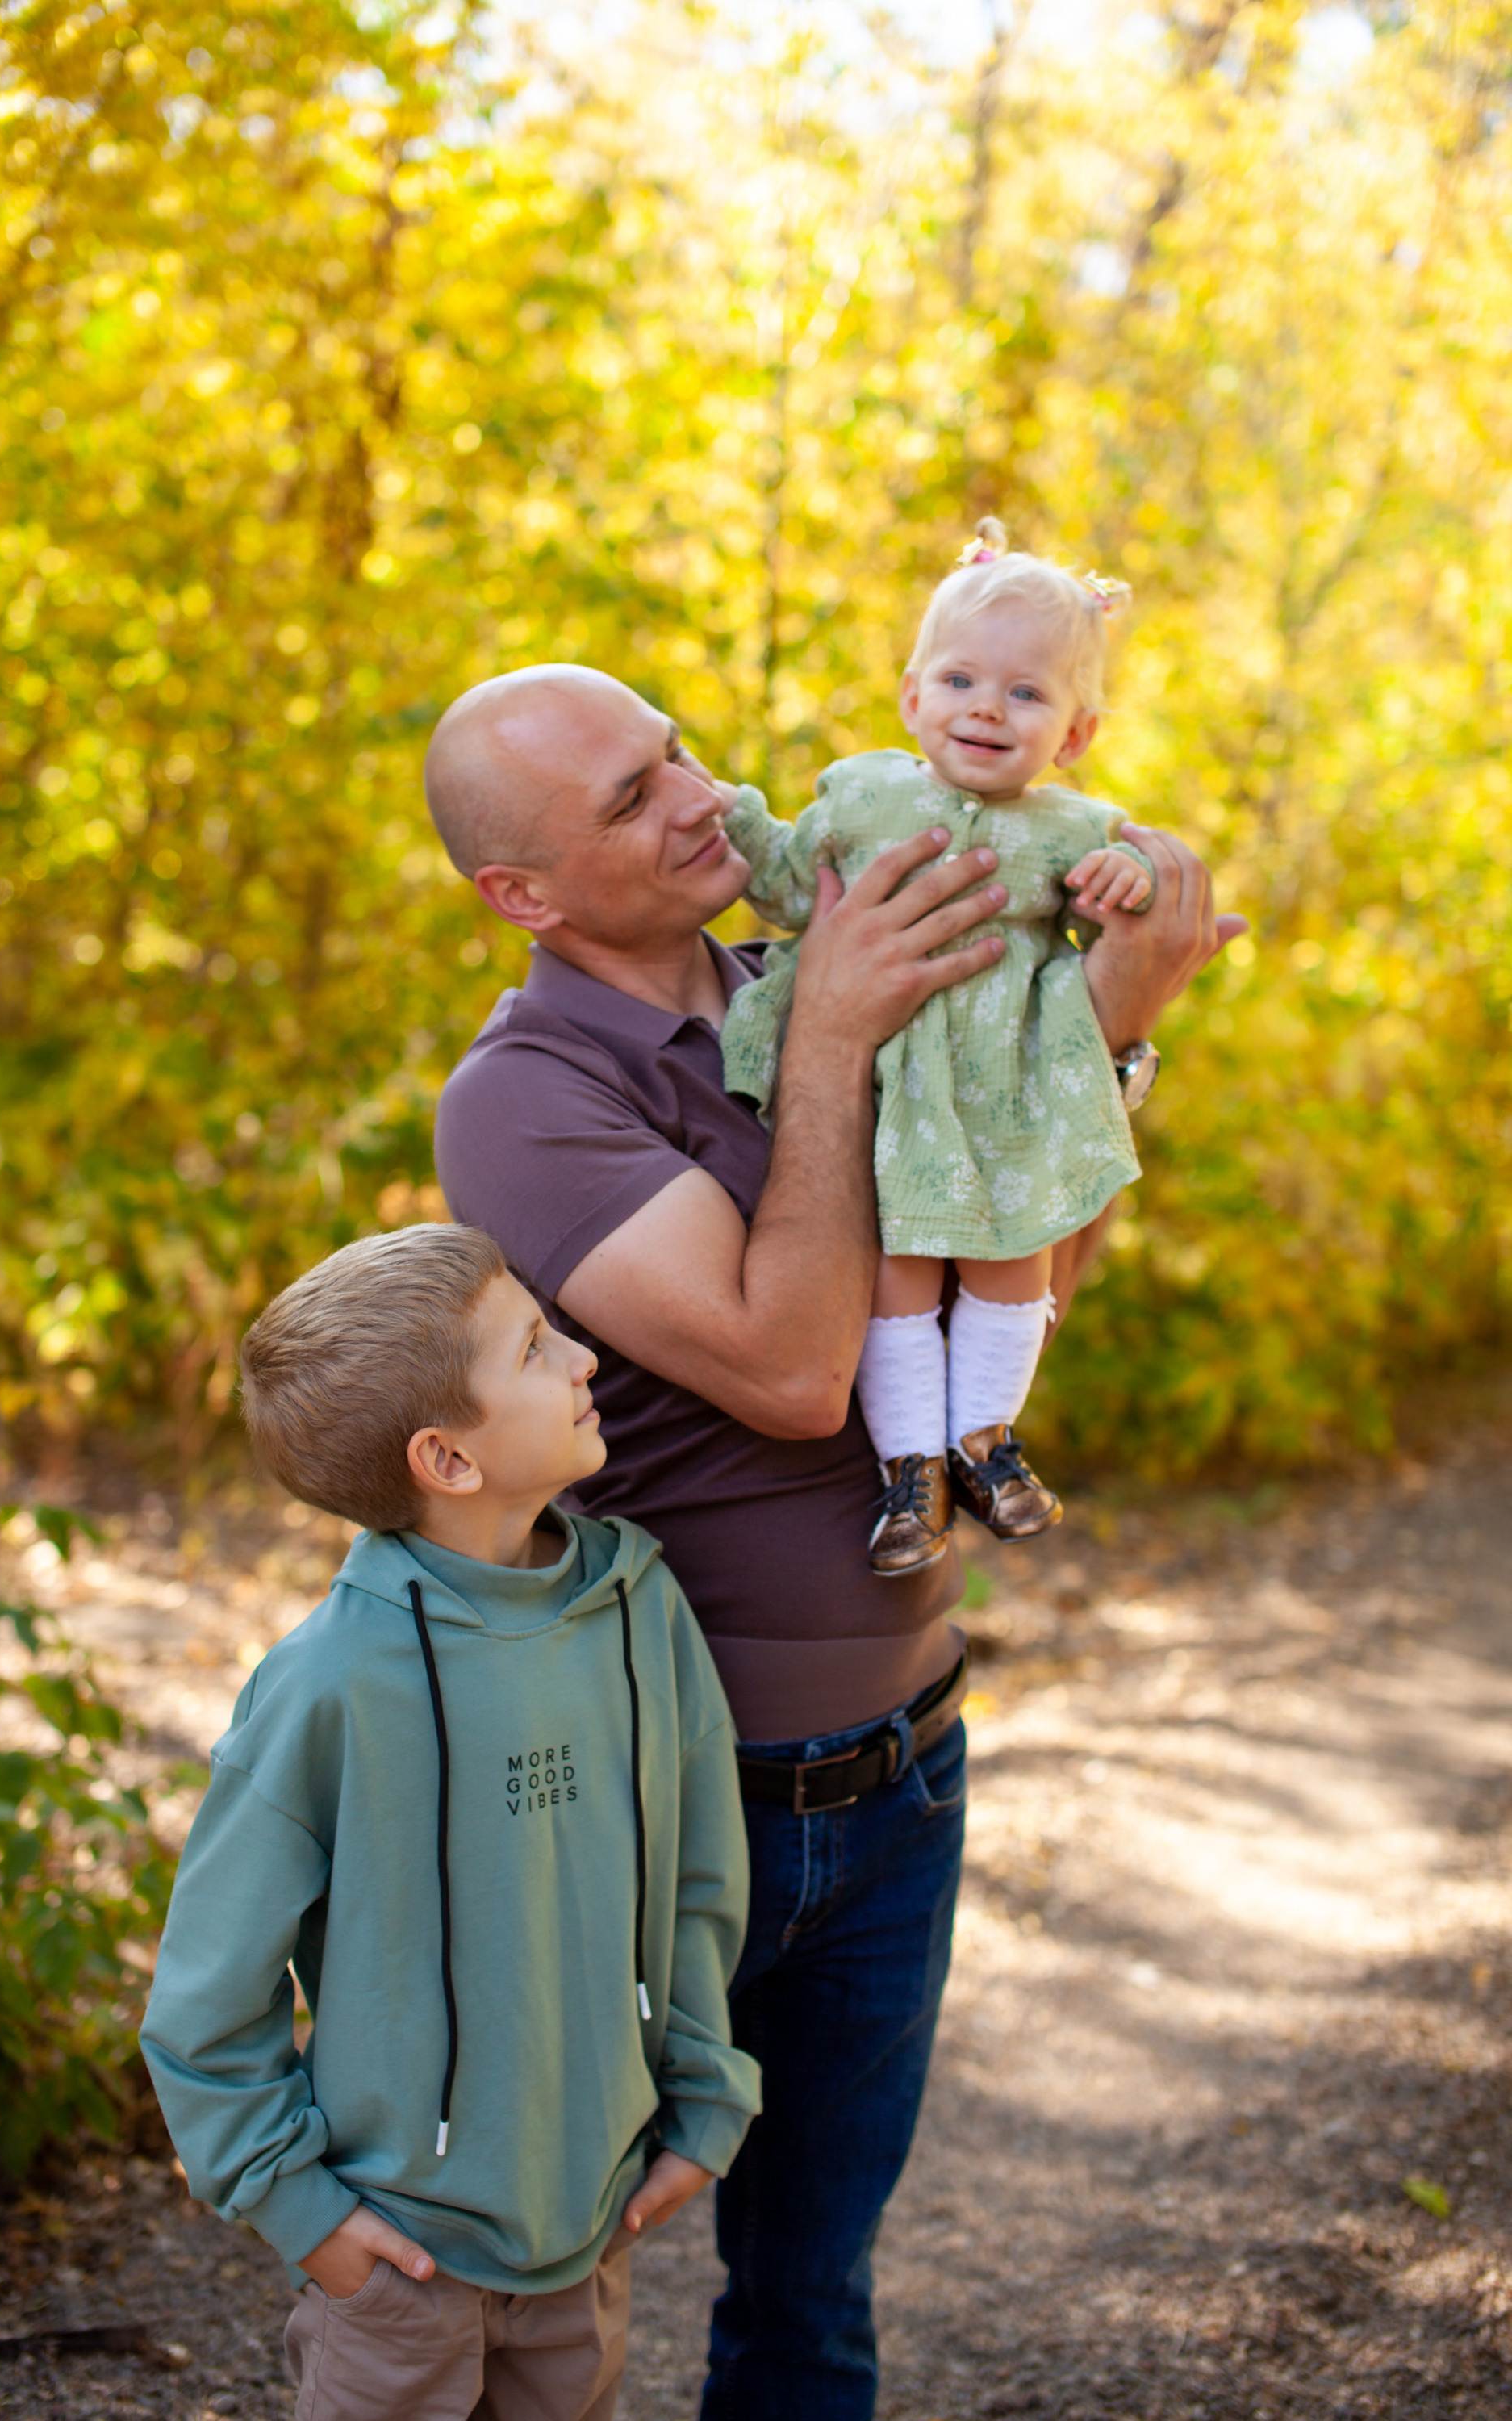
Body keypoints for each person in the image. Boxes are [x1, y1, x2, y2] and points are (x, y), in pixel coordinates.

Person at [425, 660, 1244, 2421]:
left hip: (906, 1779)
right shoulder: (526, 1094)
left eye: (680, 754)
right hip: (665, 1798)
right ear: (523, 893)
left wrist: (1108, 1023)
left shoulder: (801, 971)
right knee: (554, 2287)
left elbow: (1013, 1320)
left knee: (810, 2301)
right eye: (632, 800)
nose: (701, 797)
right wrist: (836, 1042)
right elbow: (796, 1376)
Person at [140, 1221, 760, 2421]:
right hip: (399, 2269)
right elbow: (206, 1999)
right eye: (534, 1349)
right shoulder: (329, 1684)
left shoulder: (642, 1613)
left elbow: (695, 1880)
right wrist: (301, 2213)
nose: (583, 1357)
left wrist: (705, 2093)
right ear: (449, 1459)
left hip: (590, 2235)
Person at [718, 520, 1159, 1575]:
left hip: (1009, 1085)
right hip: (894, 1089)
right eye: (960, 680)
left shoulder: (1078, 830)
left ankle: (985, 1444)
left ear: (1077, 731)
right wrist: (735, 822)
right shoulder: (865, 796)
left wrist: (1131, 888)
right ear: (913, 697)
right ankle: (911, 1465)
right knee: (899, 1276)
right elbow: (789, 887)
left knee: (1015, 1261)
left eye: (1025, 694)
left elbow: (1113, 920)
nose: (986, 709)